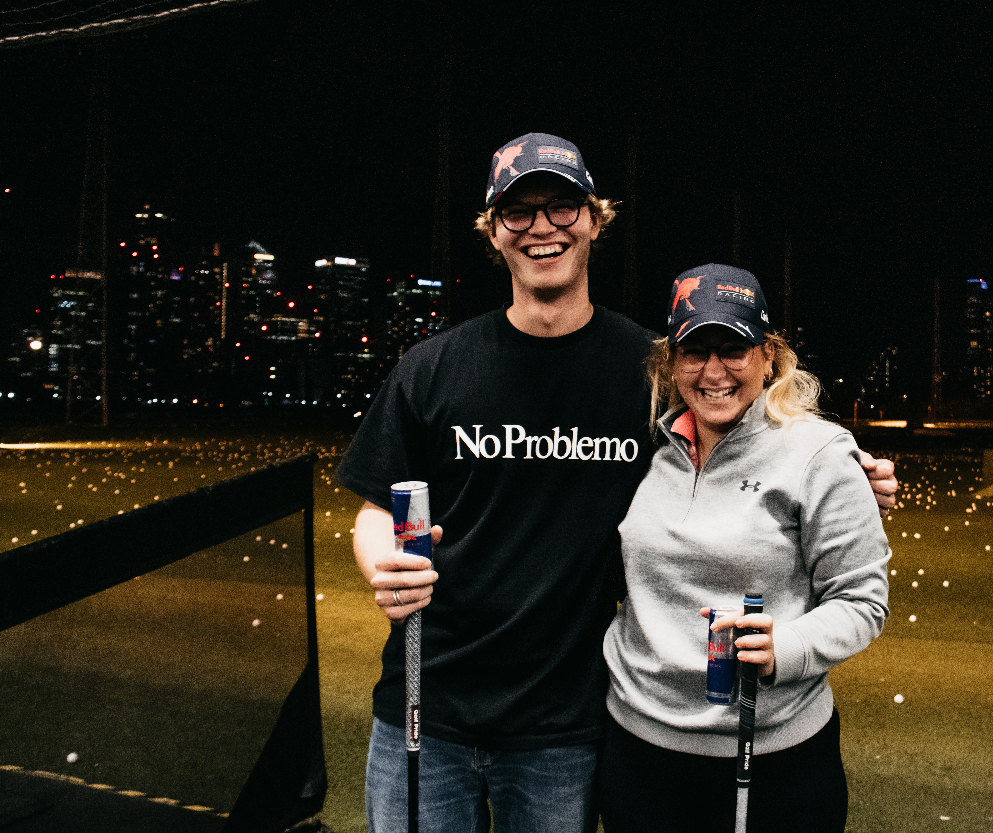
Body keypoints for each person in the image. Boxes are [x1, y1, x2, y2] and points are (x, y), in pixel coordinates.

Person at [336, 134, 898, 833]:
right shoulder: (431, 367)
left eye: (562, 206)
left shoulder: (650, 373)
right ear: (493, 231)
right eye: (518, 211)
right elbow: (374, 509)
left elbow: (746, 433)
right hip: (427, 704)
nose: (541, 227)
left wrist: (850, 473)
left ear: (596, 220)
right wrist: (380, 563)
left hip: (562, 725)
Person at [598, 264, 892, 832]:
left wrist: (789, 645)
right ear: (671, 361)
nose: (714, 372)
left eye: (733, 349)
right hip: (637, 750)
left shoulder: (819, 454)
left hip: (774, 756)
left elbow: (862, 600)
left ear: (768, 356)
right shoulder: (648, 447)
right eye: (694, 351)